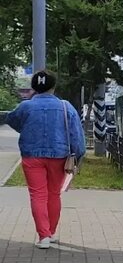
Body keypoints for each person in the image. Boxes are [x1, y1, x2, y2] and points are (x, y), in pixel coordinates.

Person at [3, 70, 85, 249]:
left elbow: (13, 119)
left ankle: (43, 236)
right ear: (54, 86)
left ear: (34, 87)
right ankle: (52, 232)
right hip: (59, 155)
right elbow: (76, 135)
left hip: (32, 155)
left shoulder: (26, 106)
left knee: (37, 194)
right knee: (54, 194)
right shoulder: (65, 106)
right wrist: (79, 156)